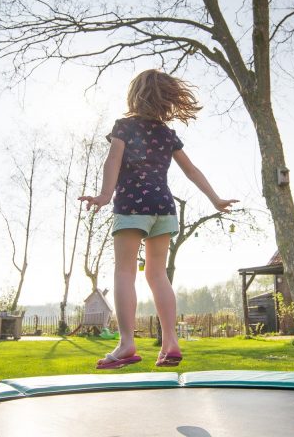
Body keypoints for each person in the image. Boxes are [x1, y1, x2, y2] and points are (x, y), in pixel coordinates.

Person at [79, 69, 237, 369]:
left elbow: (112, 160)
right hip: (164, 207)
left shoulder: (124, 127)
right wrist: (215, 198)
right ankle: (171, 342)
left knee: (124, 272)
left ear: (135, 95)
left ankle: (126, 343)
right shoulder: (167, 134)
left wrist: (103, 195)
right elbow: (191, 171)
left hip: (132, 206)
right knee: (157, 274)